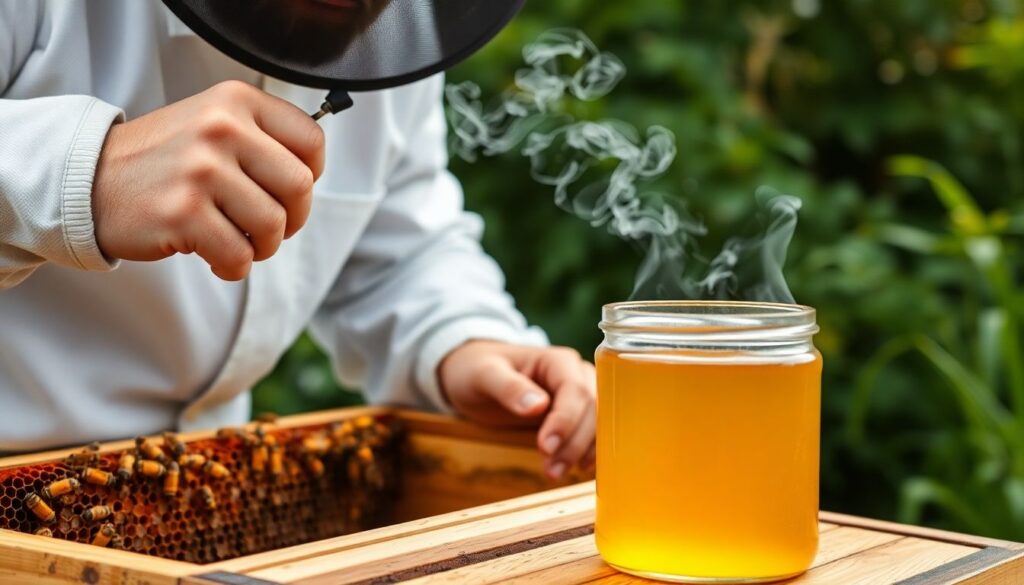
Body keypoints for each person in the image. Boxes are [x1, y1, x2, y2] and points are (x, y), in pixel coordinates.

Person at [0, 1, 595, 480]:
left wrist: (465, 343)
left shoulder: (384, 28)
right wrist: (89, 173)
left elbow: (396, 251)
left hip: (199, 494)